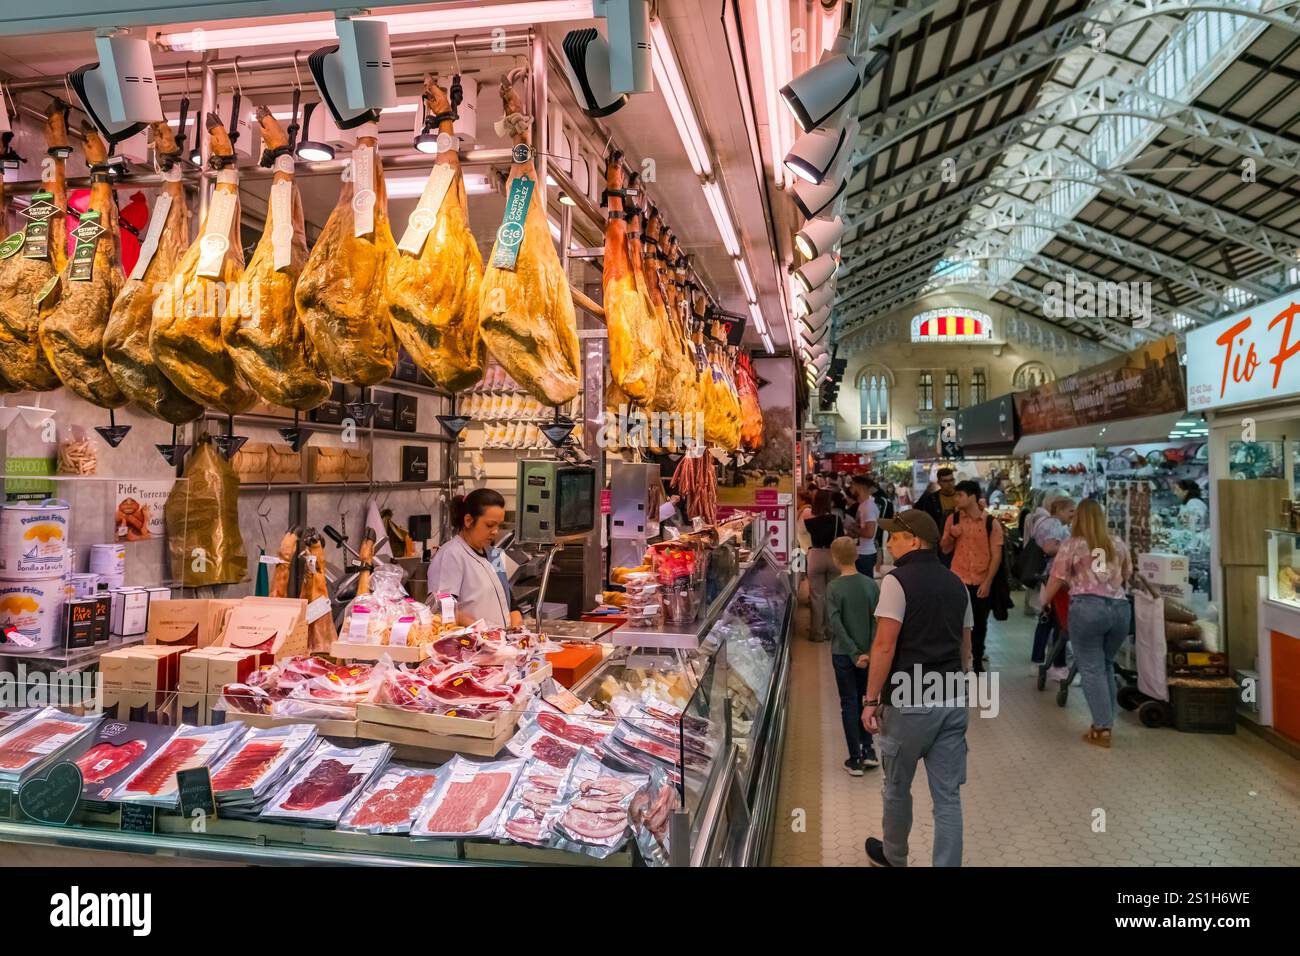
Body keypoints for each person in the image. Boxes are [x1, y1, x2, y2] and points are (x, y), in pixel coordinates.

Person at [860, 509, 972, 868]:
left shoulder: (897, 581)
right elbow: (965, 648)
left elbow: (884, 646)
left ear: (915, 541)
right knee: (948, 797)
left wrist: (871, 700)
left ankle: (895, 856)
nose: (889, 542)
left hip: (909, 700)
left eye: (895, 536)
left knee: (896, 787)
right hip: (953, 696)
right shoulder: (957, 584)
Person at [1040, 498, 1133, 748]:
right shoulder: (1118, 544)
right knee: (1105, 664)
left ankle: (1102, 727)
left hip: (1087, 609)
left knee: (1091, 667)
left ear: (1078, 518)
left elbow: (1056, 578)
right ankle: (1107, 722)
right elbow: (1126, 576)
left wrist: (1044, 601)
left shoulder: (1072, 545)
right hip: (1120, 610)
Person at [426, 489, 523, 629]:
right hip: (471, 646)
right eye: (490, 525)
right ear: (468, 521)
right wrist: (482, 630)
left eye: (499, 525)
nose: (495, 531)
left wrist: (517, 627)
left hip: (500, 643)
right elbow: (442, 610)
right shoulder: (451, 555)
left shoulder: (494, 554)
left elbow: (508, 600)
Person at [827, 536, 880, 774]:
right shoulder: (871, 585)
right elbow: (877, 621)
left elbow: (835, 623)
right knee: (865, 700)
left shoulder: (834, 588)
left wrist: (852, 652)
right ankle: (869, 750)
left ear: (835, 559)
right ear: (857, 556)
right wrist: (867, 651)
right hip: (869, 656)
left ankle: (855, 758)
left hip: (843, 655)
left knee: (848, 702)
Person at [940, 479, 1003, 674]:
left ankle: (977, 660)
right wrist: (951, 535)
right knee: (956, 622)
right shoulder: (953, 519)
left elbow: (996, 555)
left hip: (980, 580)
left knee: (980, 623)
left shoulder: (991, 523)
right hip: (957, 580)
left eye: (960, 495)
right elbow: (944, 548)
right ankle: (958, 661)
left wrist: (988, 582)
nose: (956, 499)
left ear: (972, 497)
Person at [1031, 496, 1074, 674]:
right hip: (1056, 577)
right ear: (1060, 509)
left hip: (1050, 576)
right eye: (1071, 510)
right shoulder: (1055, 525)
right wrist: (1071, 547)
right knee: (1058, 622)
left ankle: (1039, 661)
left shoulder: (1045, 523)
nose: (1073, 514)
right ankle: (1058, 665)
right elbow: (1049, 548)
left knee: (1047, 620)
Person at [803, 491, 845, 643]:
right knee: (831, 596)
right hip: (833, 555)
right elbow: (841, 538)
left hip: (815, 555)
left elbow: (803, 537)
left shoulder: (809, 521)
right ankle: (831, 631)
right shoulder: (835, 519)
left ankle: (816, 632)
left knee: (816, 596)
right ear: (829, 503)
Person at [916, 468, 958, 565]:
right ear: (939, 482)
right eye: (945, 481)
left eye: (951, 480)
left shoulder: (961, 496)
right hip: (940, 542)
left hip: (960, 541)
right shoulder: (932, 500)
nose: (949, 483)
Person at [851, 475, 880, 577]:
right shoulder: (863, 505)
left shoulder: (868, 507)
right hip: (862, 553)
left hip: (865, 554)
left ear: (859, 487)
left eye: (852, 485)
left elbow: (869, 533)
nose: (851, 488)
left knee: (864, 587)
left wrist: (854, 528)